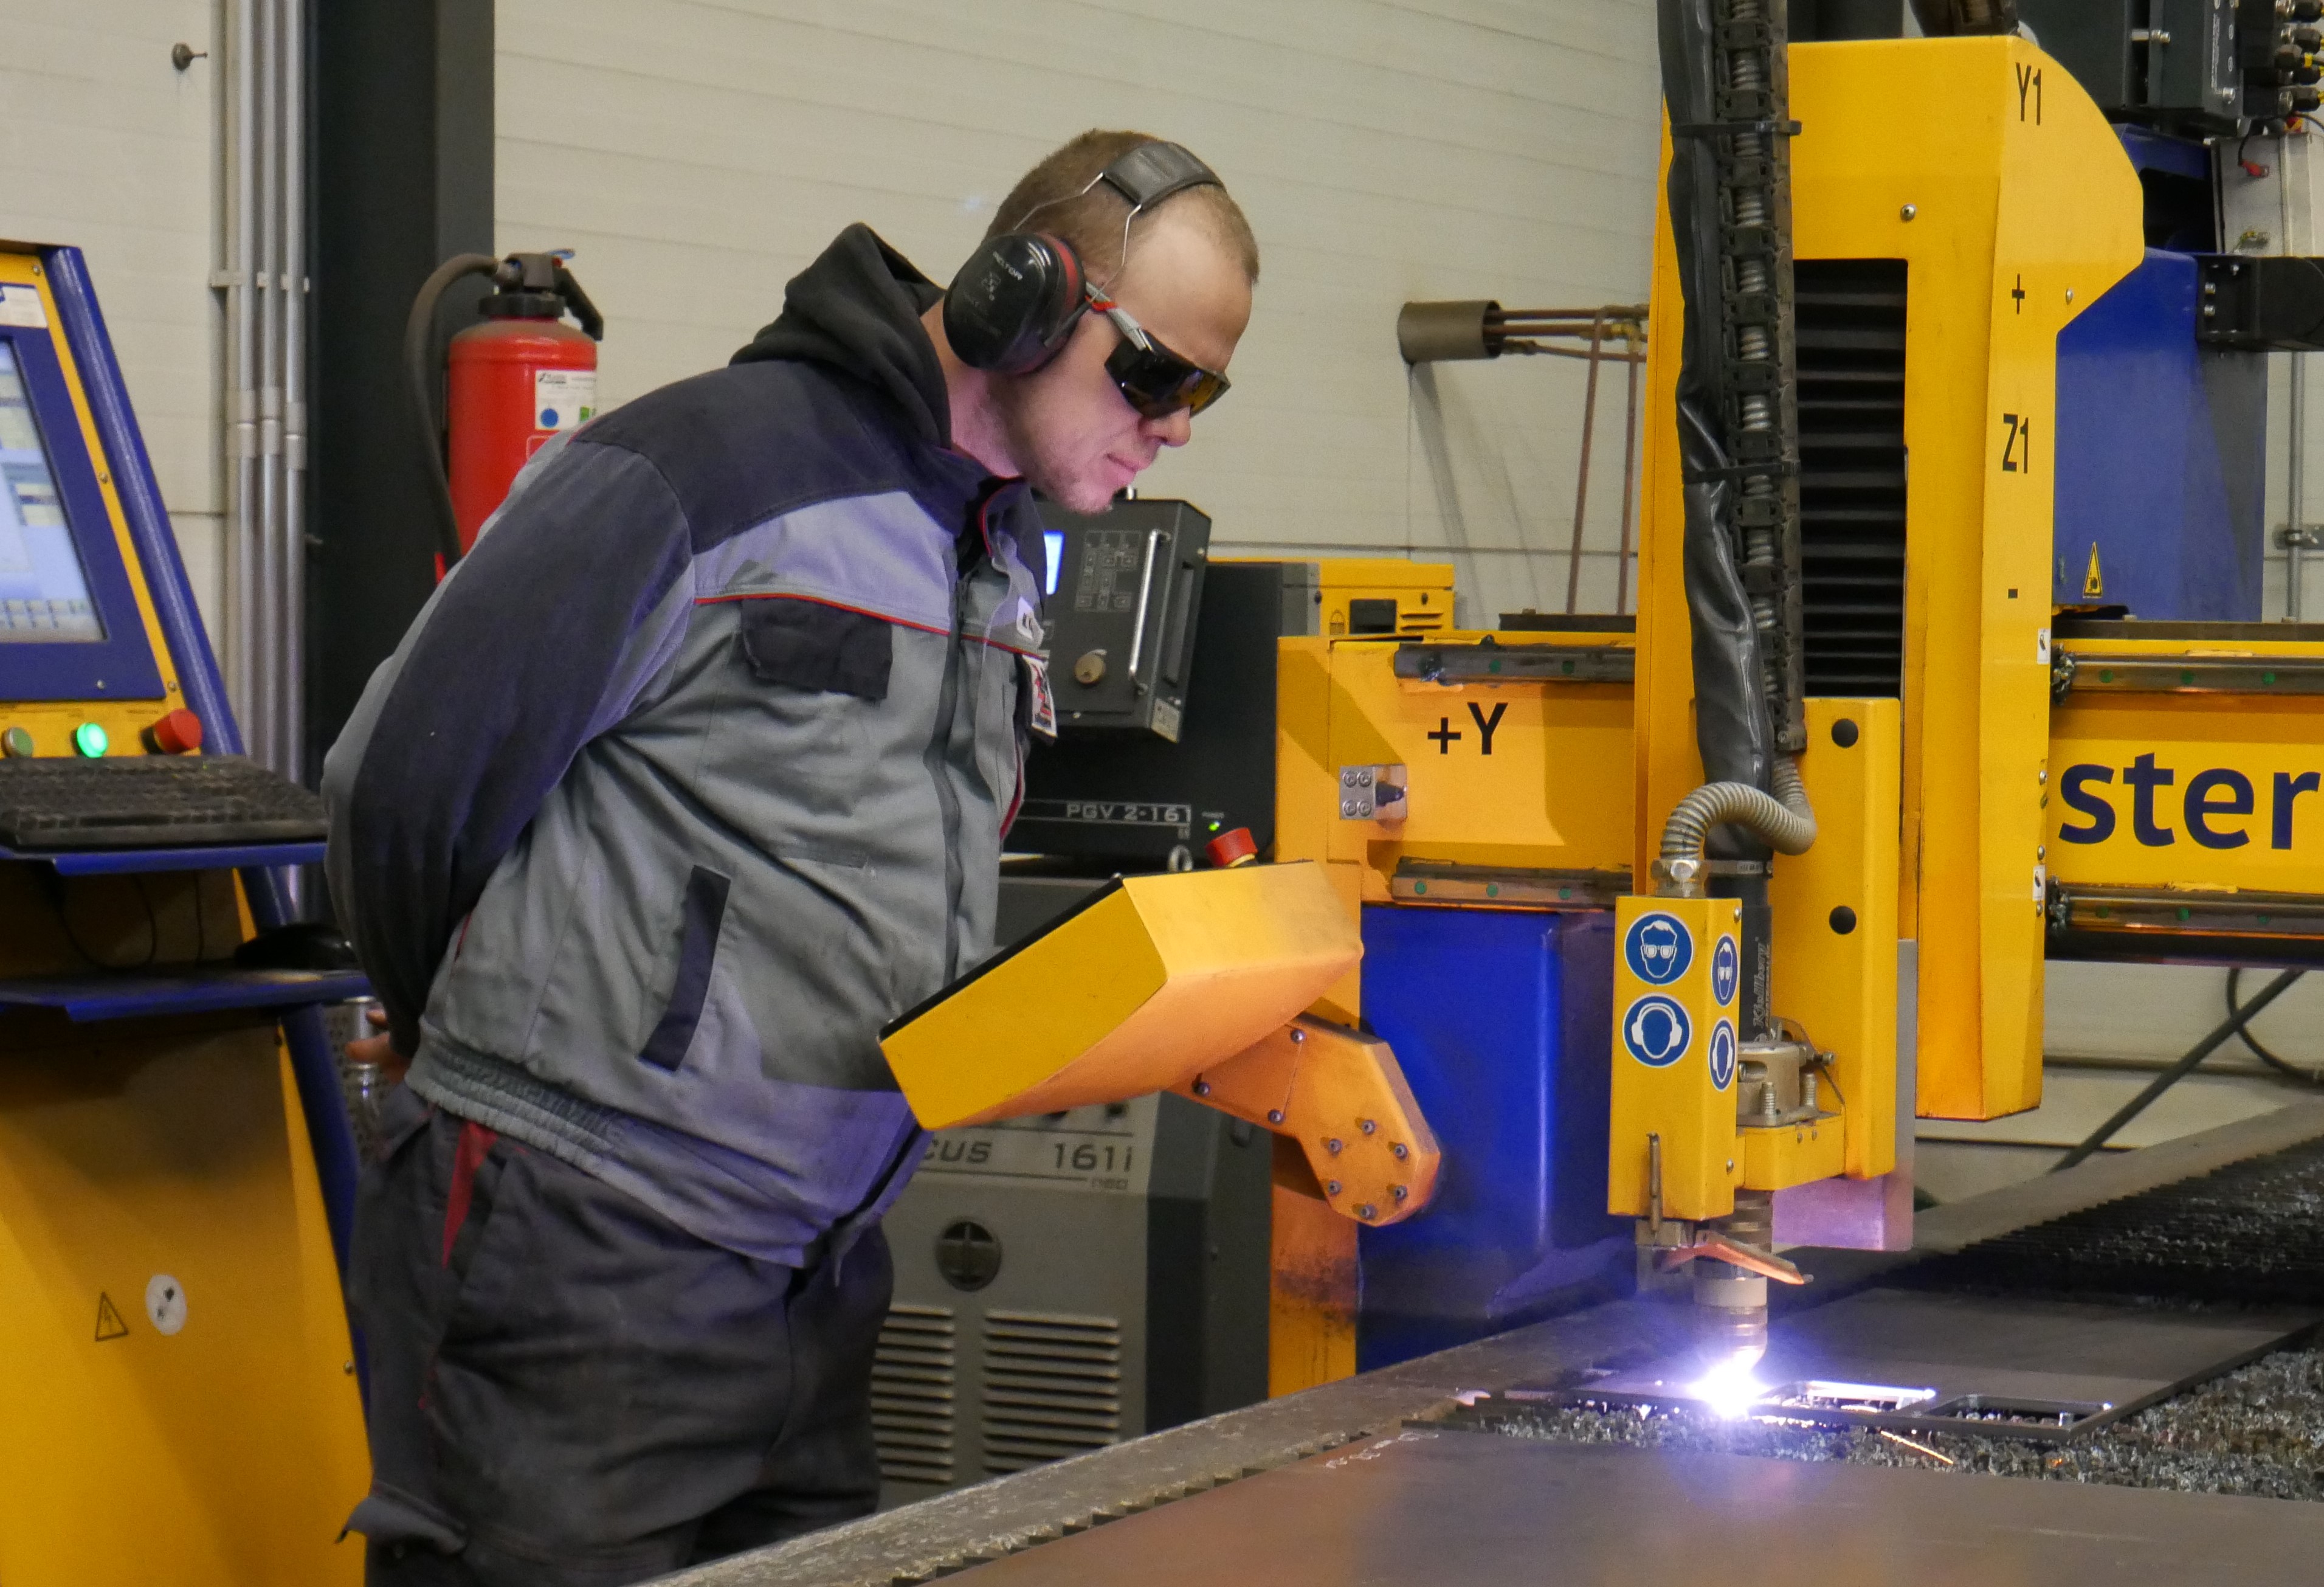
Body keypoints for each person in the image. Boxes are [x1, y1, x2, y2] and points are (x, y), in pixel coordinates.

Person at [322, 130, 1258, 1585]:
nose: (1174, 425)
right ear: (1027, 295)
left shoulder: (986, 556)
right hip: (583, 1247)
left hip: (814, 1272)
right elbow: (402, 786)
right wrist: (488, 1066)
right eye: (1152, 375)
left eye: (1204, 391)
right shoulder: (701, 469)